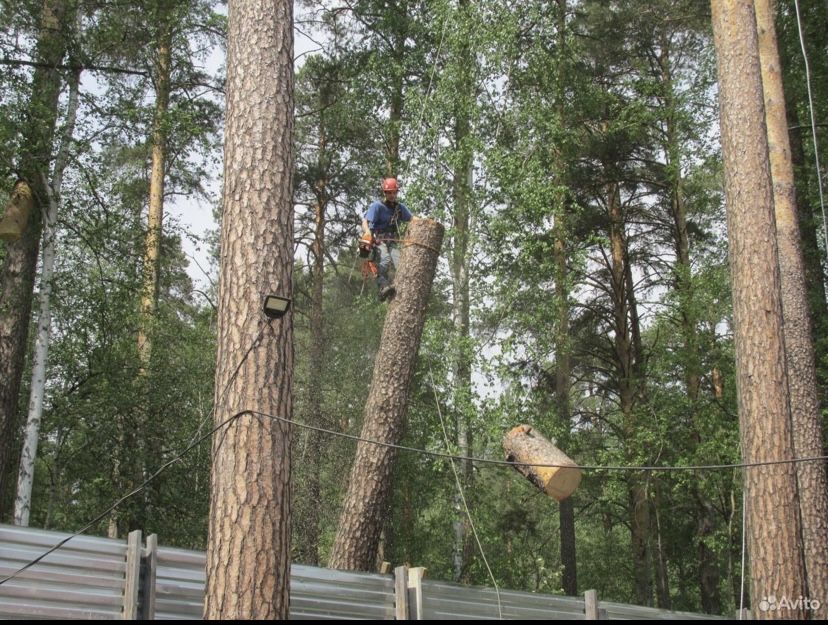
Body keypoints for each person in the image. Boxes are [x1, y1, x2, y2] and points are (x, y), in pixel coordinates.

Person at [361, 177, 413, 301]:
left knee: (401, 264)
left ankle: (398, 291)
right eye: (389, 192)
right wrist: (367, 232)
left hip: (392, 241)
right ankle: (382, 286)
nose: (392, 195)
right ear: (385, 193)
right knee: (385, 260)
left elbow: (412, 219)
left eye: (394, 192)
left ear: (397, 192)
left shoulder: (399, 208)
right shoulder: (377, 206)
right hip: (379, 239)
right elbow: (365, 221)